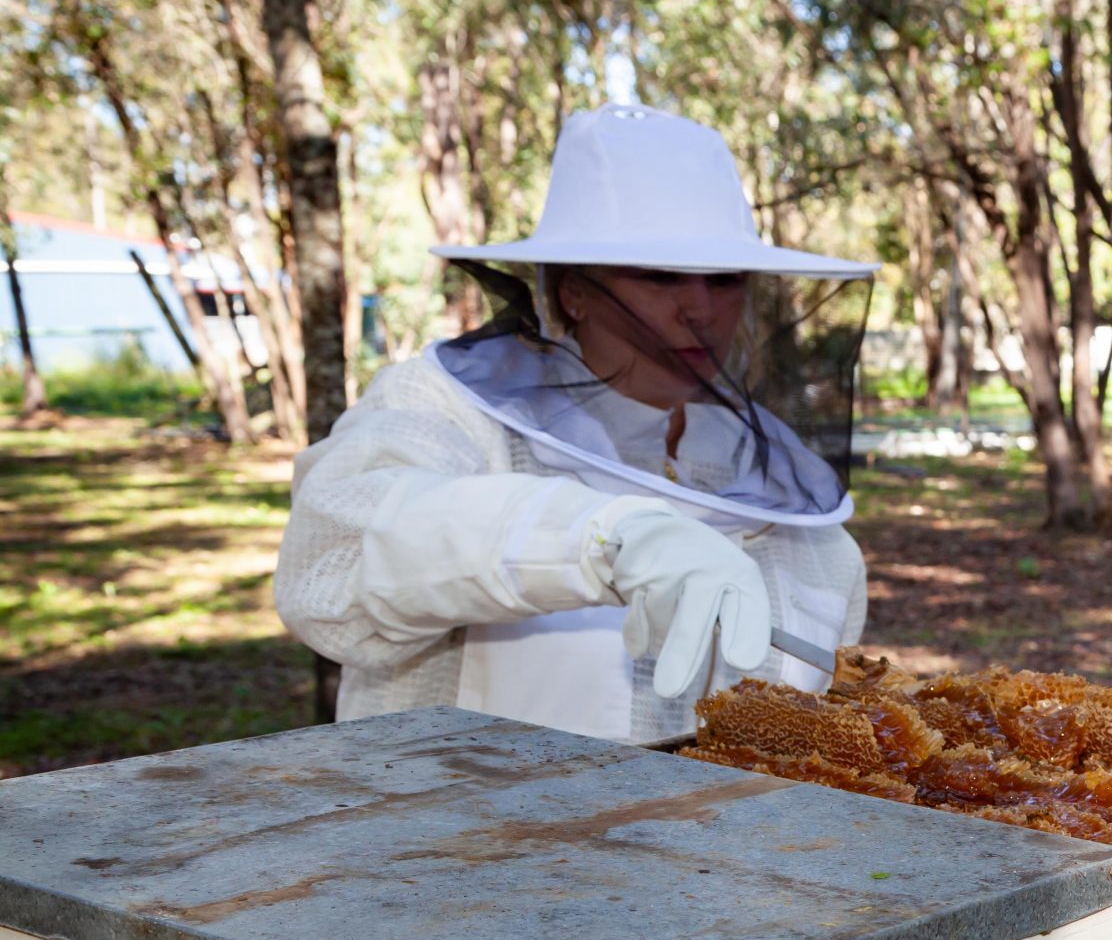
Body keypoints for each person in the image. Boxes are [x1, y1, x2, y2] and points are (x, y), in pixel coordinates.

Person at [277, 103, 874, 741]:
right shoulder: (443, 410)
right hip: (465, 835)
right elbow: (333, 562)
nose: (700, 309)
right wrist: (601, 539)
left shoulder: (790, 502)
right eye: (662, 277)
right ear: (573, 291)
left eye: (725, 279)